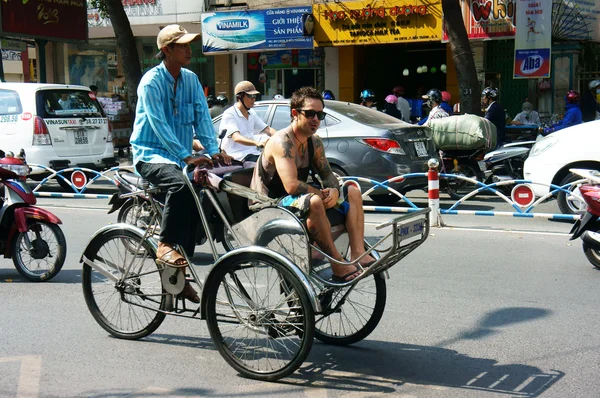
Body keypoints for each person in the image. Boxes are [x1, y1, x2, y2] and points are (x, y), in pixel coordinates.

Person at [129, 24, 232, 303]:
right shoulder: (151, 82)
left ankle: (178, 272)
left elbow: (202, 118)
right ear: (167, 50)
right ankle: (164, 246)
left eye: (190, 44)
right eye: (182, 45)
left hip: (181, 157)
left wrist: (214, 151)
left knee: (200, 197)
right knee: (180, 183)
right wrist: (185, 155)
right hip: (151, 154)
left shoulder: (191, 79)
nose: (189, 49)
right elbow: (158, 124)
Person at [250, 86, 376, 281]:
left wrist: (333, 189)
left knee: (351, 189)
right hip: (269, 204)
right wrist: (319, 193)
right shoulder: (282, 142)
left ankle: (358, 253)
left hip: (297, 199)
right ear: (295, 114)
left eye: (319, 114)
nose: (315, 119)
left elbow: (327, 174)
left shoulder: (313, 141)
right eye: (310, 114)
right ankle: (337, 263)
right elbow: (291, 186)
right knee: (314, 201)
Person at [219, 81, 277, 164]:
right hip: (237, 156)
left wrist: (282, 137)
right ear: (240, 97)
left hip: (253, 153)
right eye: (250, 96)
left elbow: (267, 129)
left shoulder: (251, 113)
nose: (253, 99)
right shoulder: (230, 114)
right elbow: (236, 137)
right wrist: (257, 143)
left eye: (255, 96)